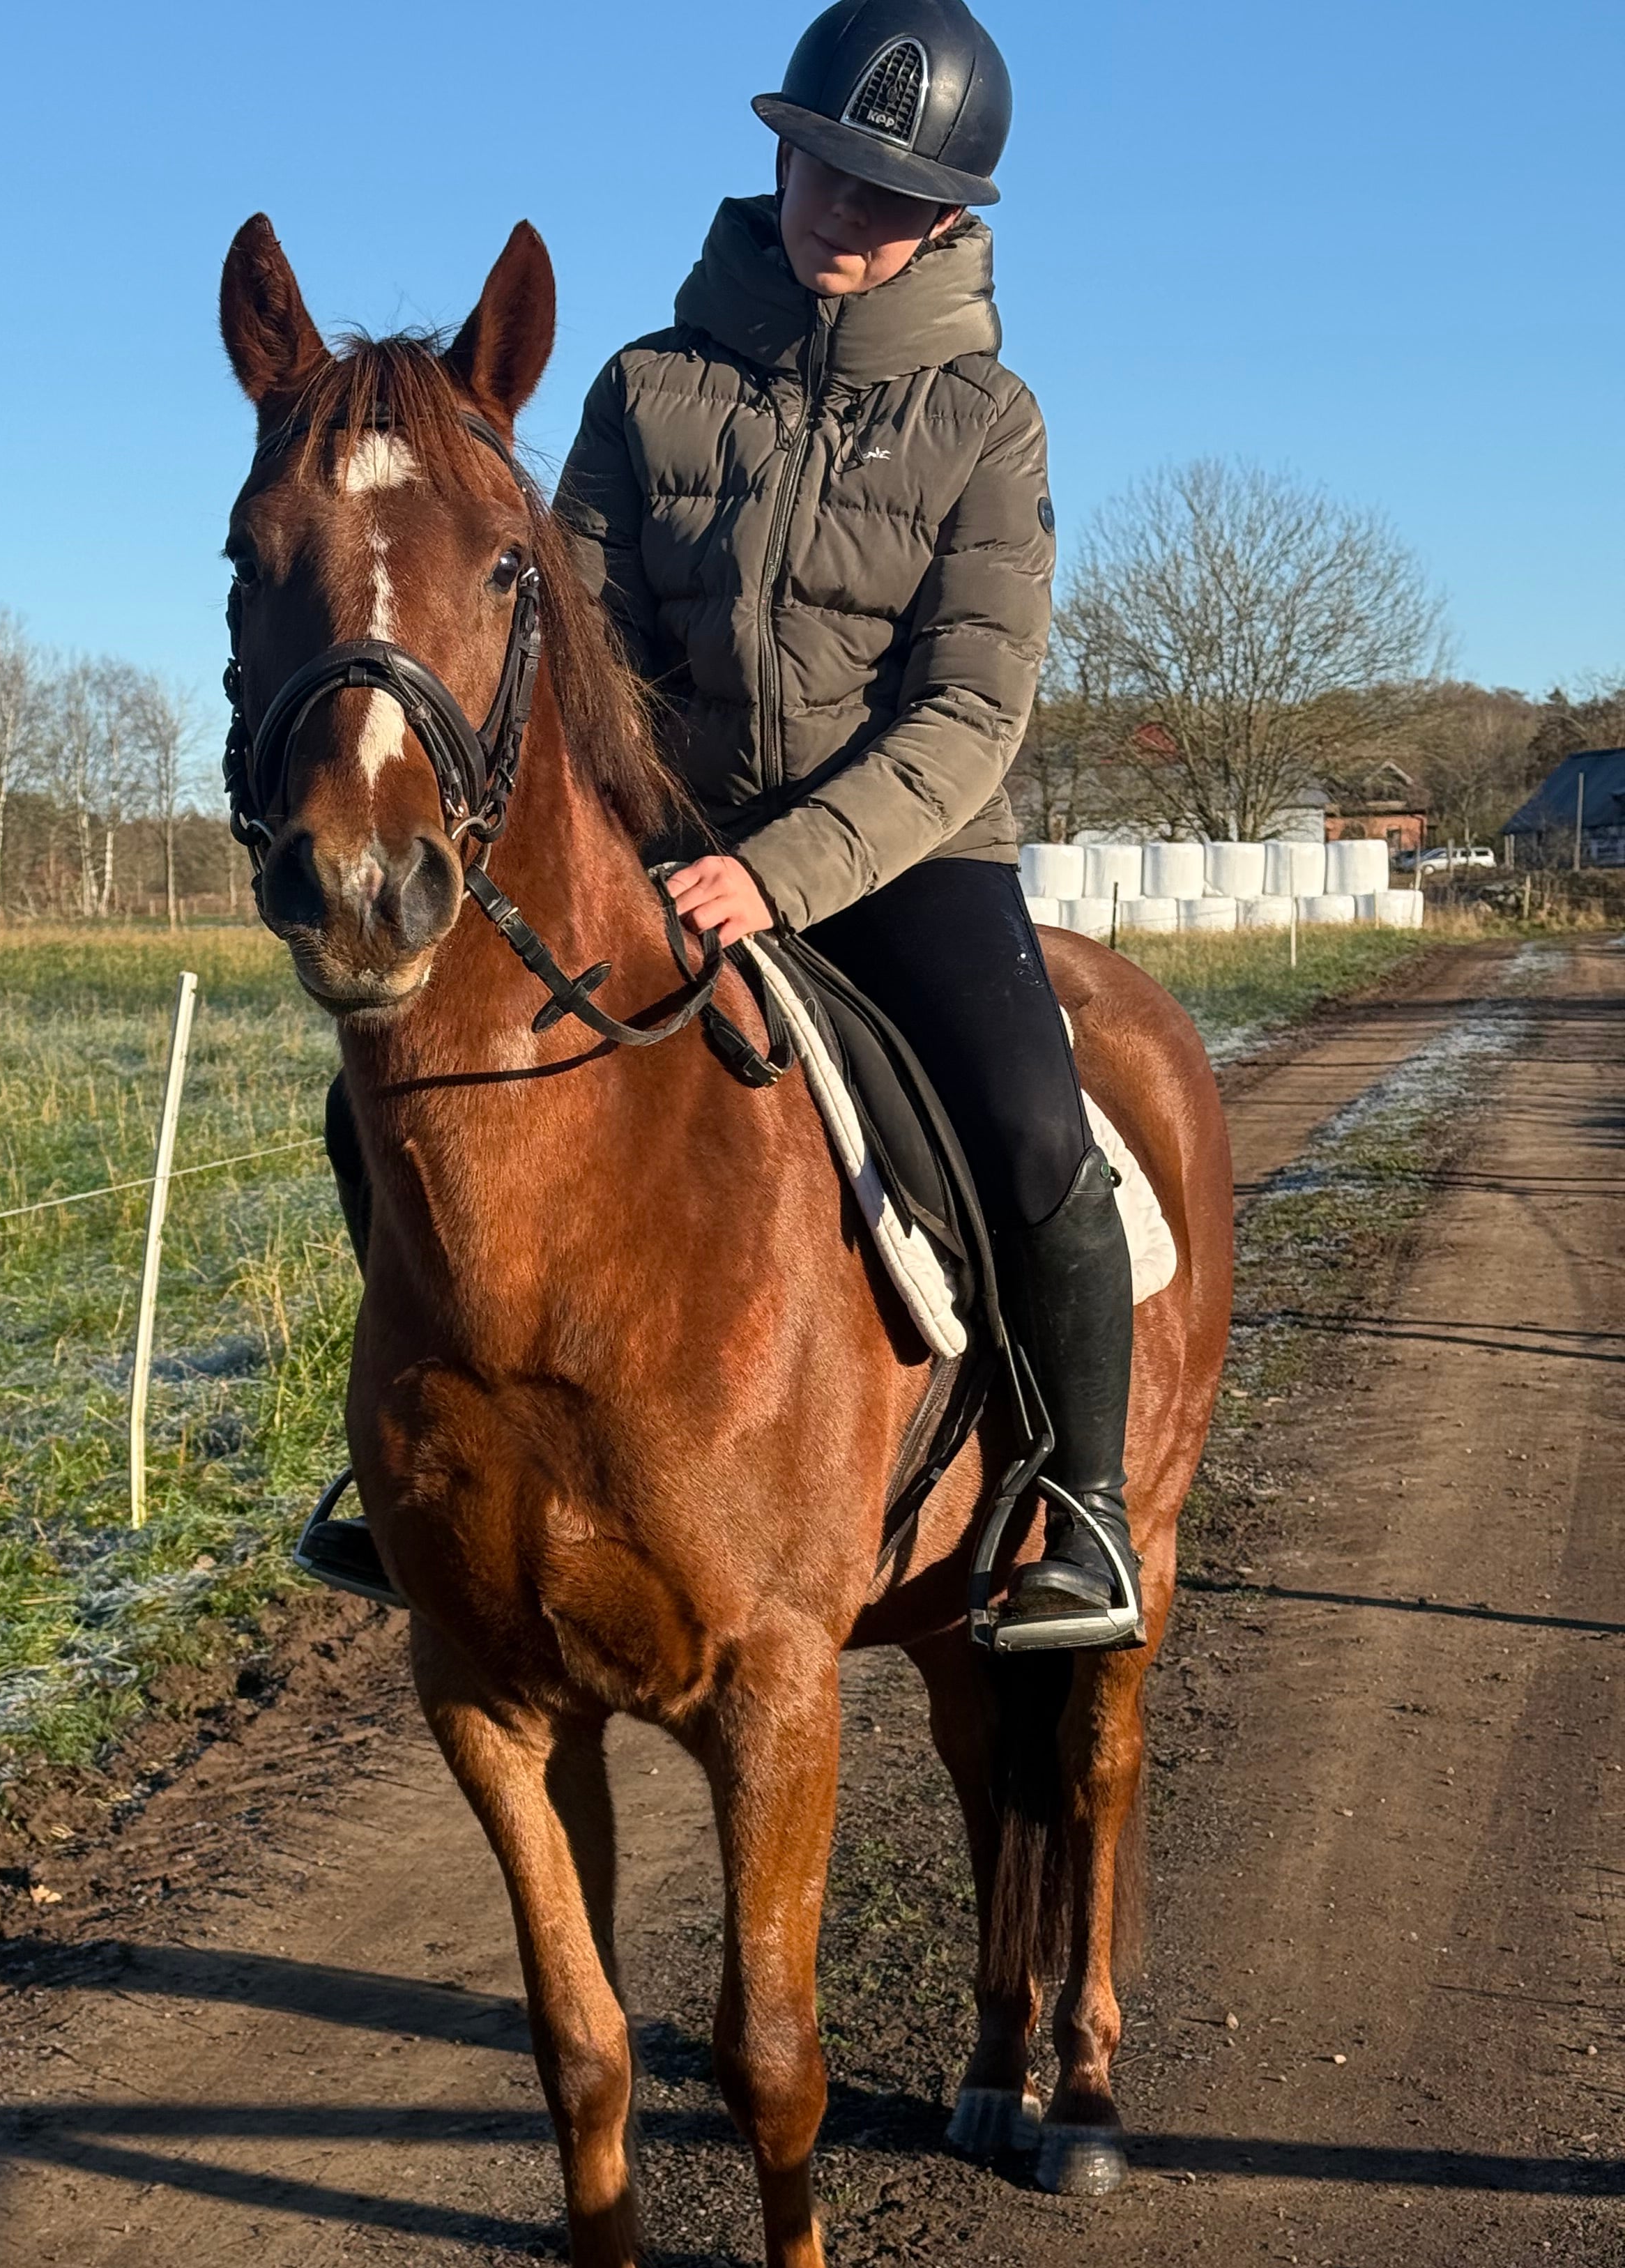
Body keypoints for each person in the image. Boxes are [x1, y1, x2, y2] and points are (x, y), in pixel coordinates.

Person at [309, 0, 1140, 1649]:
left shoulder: (989, 422)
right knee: (372, 1111)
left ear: (954, 221)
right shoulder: (645, 387)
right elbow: (575, 639)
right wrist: (600, 835)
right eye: (831, 170)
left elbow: (969, 716)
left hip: (899, 851)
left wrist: (775, 872)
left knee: (1042, 1139)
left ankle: (1079, 1499)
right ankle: (428, 1466)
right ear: (781, 153)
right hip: (660, 837)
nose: (853, 212)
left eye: (895, 194)